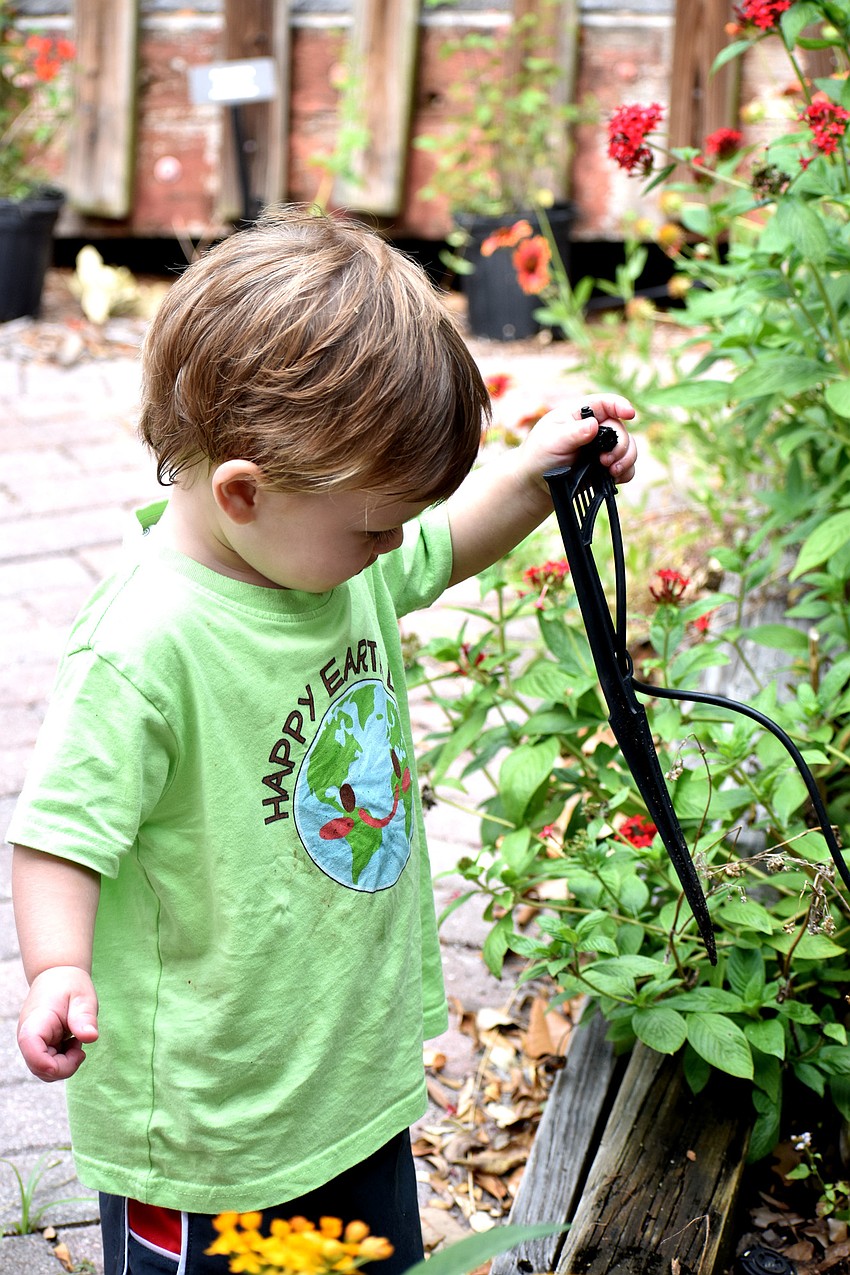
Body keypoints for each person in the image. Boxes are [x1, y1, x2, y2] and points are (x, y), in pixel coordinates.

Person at [8, 205, 637, 1275]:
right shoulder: (145, 646)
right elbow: (61, 832)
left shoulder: (320, 556)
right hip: (209, 1117)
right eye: (372, 527)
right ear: (243, 493)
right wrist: (58, 966)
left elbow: (441, 541)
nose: (392, 547)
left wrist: (538, 477)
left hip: (342, 1069)